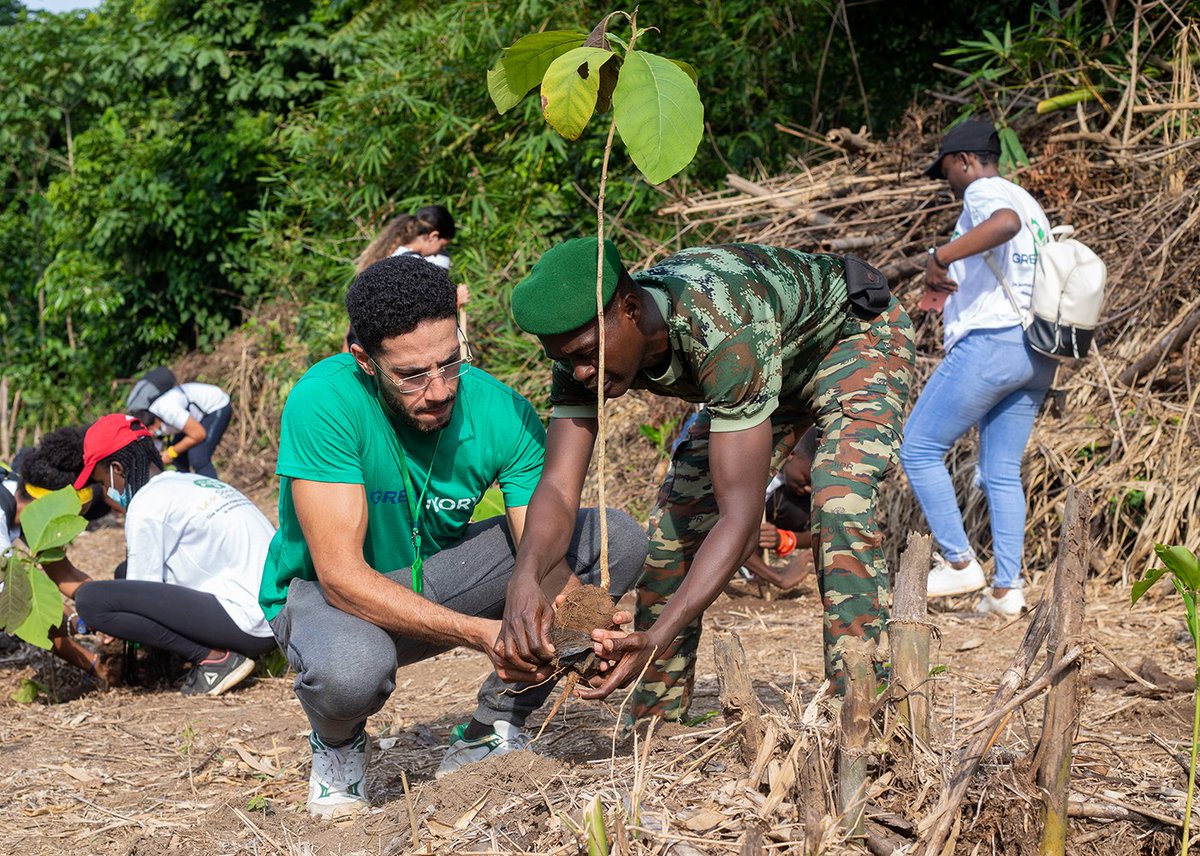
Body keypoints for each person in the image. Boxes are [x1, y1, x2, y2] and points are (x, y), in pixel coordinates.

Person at [261, 255, 647, 819]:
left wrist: (575, 613)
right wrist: (482, 633)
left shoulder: (502, 413)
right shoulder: (324, 401)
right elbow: (341, 577)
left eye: (451, 362)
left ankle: (495, 724)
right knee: (351, 672)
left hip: (443, 580)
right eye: (413, 375)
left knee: (614, 537)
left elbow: (543, 555)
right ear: (364, 360)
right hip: (329, 599)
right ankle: (338, 745)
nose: (440, 389)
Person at [502, 239, 915, 724]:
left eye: (587, 354)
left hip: (851, 340)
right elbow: (557, 486)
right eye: (566, 359)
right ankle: (656, 721)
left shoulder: (720, 321)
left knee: (839, 497)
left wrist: (658, 636)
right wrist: (525, 577)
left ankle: (861, 710)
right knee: (670, 536)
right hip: (761, 374)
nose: (580, 372)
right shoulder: (584, 352)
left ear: (631, 309)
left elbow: (740, 521)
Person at [900, 119, 1056, 617]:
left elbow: (1001, 224)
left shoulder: (985, 192)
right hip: (1038, 349)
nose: (947, 181)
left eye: (946, 169)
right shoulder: (1031, 203)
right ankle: (1007, 590)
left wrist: (939, 255)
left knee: (918, 447)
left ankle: (960, 561)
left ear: (964, 161)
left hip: (994, 343)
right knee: (1000, 471)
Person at [70, 414, 277, 696]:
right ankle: (191, 658)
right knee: (123, 572)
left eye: (104, 483)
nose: (108, 492)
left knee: (91, 600)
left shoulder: (146, 505)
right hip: (275, 616)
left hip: (249, 624)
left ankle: (215, 659)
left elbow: (141, 592)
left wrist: (95, 624)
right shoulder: (190, 483)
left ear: (116, 469)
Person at [2, 436, 111, 685]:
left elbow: (65, 575)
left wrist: (109, 611)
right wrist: (82, 627)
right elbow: (29, 611)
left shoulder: (21, 494)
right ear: (50, 509)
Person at [346, 204, 468, 351]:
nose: (439, 253)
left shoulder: (393, 256)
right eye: (442, 246)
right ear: (433, 236)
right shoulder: (412, 265)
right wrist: (456, 300)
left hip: (367, 343)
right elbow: (424, 311)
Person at [741, 426, 817, 589]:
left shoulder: (800, 495)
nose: (808, 488)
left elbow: (818, 532)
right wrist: (778, 578)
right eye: (806, 478)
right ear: (791, 454)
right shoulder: (753, 469)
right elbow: (728, 533)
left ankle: (755, 568)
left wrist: (785, 539)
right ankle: (751, 568)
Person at [129, 381, 233, 479]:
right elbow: (156, 454)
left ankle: (214, 494)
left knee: (198, 457)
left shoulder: (169, 412)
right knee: (178, 458)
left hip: (215, 406)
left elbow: (199, 434)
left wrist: (170, 453)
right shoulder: (152, 422)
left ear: (152, 428)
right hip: (194, 417)